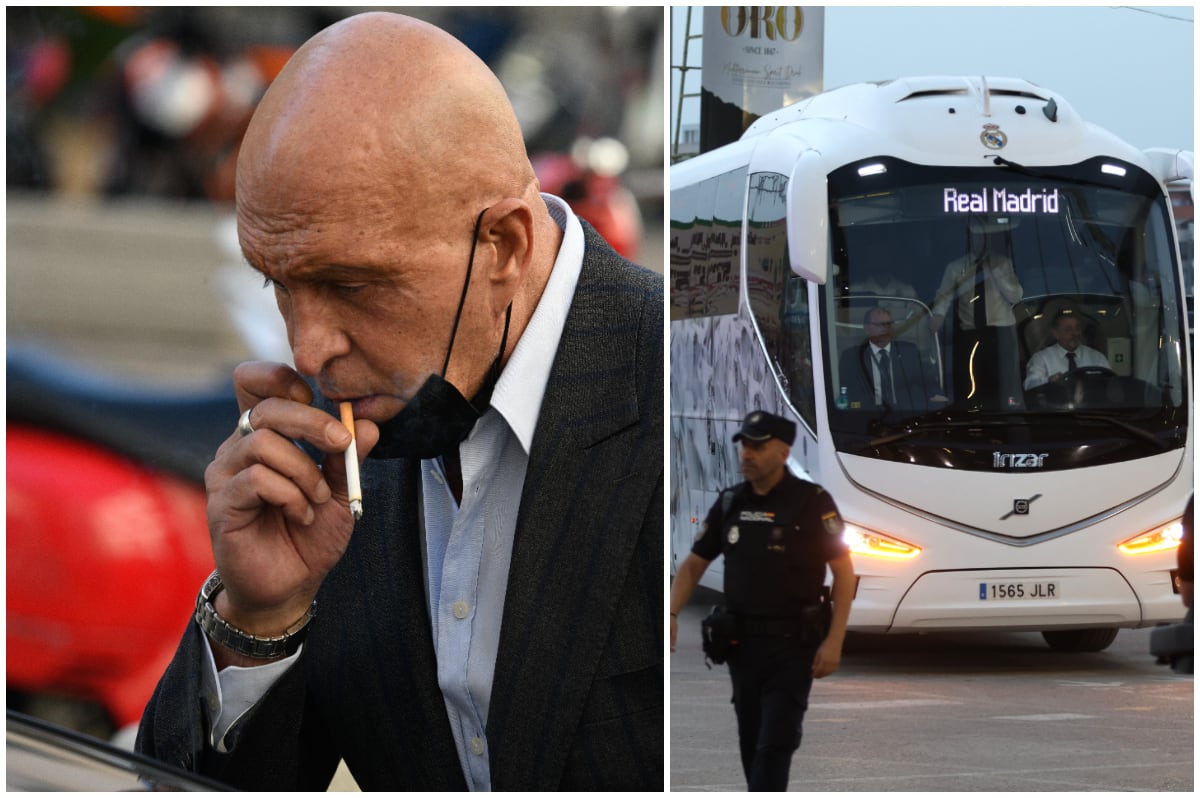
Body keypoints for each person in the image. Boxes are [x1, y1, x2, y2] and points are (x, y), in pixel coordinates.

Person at [135, 12, 662, 791]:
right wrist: (256, 623)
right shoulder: (320, 454)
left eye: (351, 286)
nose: (308, 350)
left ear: (505, 247)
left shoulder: (679, 389)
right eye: (280, 285)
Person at [669, 411, 855, 791]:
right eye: (744, 445)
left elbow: (845, 573)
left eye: (758, 445)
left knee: (775, 746)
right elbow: (692, 566)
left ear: (784, 451)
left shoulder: (813, 503)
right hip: (742, 648)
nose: (747, 454)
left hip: (792, 649)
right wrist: (670, 612)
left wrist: (835, 640)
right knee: (752, 747)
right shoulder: (730, 503)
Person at [930, 221, 1024, 408]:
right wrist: (938, 316)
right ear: (971, 239)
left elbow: (1016, 296)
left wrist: (995, 270)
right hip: (971, 331)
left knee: (1003, 380)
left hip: (1001, 332)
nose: (982, 241)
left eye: (986, 237)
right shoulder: (956, 267)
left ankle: (1004, 415)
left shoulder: (1004, 263)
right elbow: (944, 295)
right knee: (971, 380)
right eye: (978, 236)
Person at [838, 307, 945, 410]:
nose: (885, 328)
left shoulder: (909, 352)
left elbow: (927, 378)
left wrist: (937, 395)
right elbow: (845, 392)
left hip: (904, 413)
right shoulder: (852, 356)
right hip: (867, 414)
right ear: (867, 329)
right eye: (879, 324)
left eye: (888, 324)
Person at [1023, 310, 1111, 390]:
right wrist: (1048, 381)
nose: (1075, 333)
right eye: (1068, 330)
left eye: (1077, 328)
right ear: (1056, 334)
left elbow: (1111, 384)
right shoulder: (1041, 358)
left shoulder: (1096, 357)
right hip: (1055, 406)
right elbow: (1030, 385)